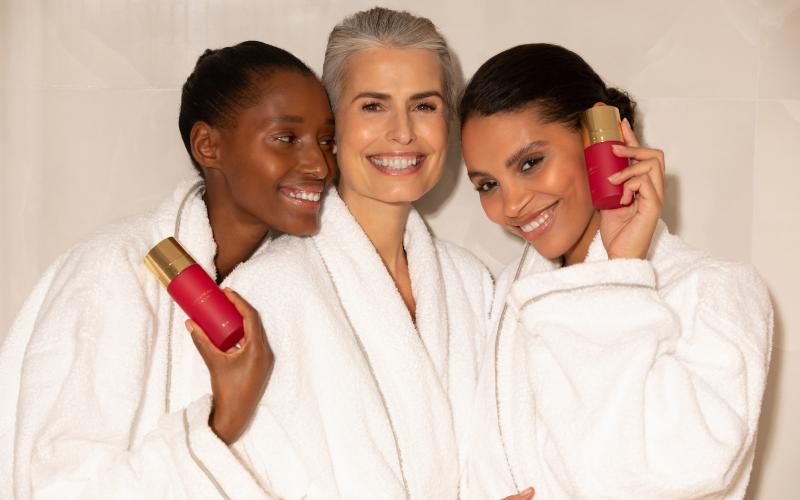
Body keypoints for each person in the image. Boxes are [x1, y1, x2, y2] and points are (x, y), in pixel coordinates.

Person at [0, 41, 335, 499]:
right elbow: (57, 487)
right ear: (208, 145)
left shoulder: (292, 285)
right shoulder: (113, 270)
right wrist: (221, 420)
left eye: (326, 141)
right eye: (286, 138)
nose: (319, 165)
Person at [458, 43, 773, 499]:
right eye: (488, 185)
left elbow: (667, 473)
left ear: (599, 141)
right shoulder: (512, 296)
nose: (510, 205)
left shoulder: (715, 291)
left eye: (530, 163)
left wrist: (621, 272)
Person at [223, 7, 492, 498]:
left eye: (424, 105)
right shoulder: (265, 291)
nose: (403, 131)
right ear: (333, 125)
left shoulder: (471, 285)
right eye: (373, 106)